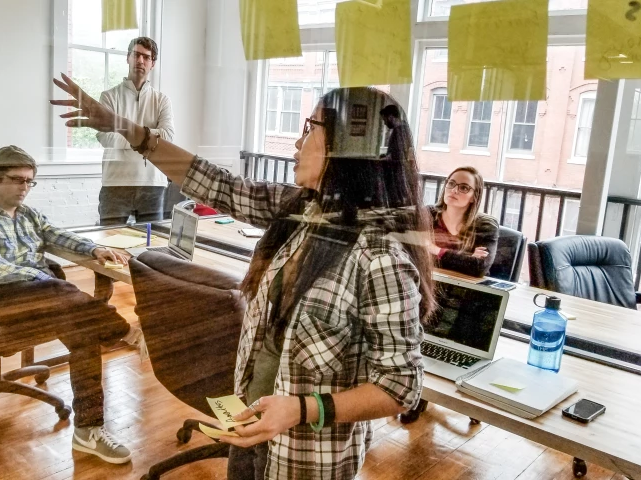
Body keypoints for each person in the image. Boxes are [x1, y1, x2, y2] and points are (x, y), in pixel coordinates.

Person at [52, 76, 435, 479]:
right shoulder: (302, 210)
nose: (297, 143)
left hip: (304, 457)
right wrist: (126, 128)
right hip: (249, 428)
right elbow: (216, 184)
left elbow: (400, 387)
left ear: (347, 148)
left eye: (310, 129)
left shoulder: (381, 258)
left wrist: (301, 409)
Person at [0, 145, 133, 464]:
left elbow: (58, 235)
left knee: (84, 334)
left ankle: (88, 430)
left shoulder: (28, 215)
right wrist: (42, 278)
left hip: (40, 299)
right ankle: (125, 332)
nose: (25, 187)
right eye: (18, 180)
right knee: (56, 286)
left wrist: (94, 249)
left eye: (30, 181)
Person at [96, 36, 175, 226]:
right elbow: (105, 137)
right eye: (136, 55)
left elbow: (167, 137)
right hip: (115, 183)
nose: (140, 60)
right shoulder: (108, 97)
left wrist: (124, 131)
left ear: (152, 63)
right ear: (128, 58)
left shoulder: (162, 100)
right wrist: (148, 139)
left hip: (152, 183)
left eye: (146, 57)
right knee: (110, 240)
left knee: (152, 241)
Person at [426, 166, 499, 278]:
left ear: (474, 197)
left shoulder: (486, 225)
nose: (454, 190)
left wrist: (436, 250)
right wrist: (466, 258)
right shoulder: (428, 214)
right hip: (429, 281)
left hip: (466, 287)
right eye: (451, 183)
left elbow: (479, 268)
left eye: (464, 188)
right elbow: (415, 256)